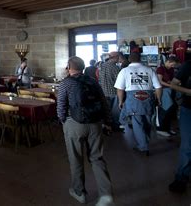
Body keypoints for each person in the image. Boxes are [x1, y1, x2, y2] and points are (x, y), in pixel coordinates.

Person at [57, 56, 114, 206]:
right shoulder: (92, 81)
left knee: (75, 159)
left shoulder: (66, 83)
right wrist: (108, 122)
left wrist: (63, 120)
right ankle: (106, 195)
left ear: (69, 67)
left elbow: (61, 105)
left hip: (73, 124)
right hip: (95, 124)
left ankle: (79, 192)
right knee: (97, 158)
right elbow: (103, 102)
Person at [115, 52, 162, 156]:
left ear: (129, 59)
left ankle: (143, 146)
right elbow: (158, 87)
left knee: (137, 122)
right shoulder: (149, 70)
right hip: (148, 98)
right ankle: (144, 142)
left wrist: (120, 101)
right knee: (148, 121)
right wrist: (158, 99)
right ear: (140, 59)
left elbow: (120, 89)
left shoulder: (125, 71)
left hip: (133, 99)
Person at [168, 60, 191, 193]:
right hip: (189, 110)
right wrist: (189, 91)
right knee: (187, 146)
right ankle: (181, 177)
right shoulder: (188, 65)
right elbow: (173, 84)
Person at [156, 56, 180, 137]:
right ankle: (161, 129)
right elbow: (160, 81)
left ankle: (167, 128)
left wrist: (174, 84)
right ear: (168, 62)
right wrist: (171, 86)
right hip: (163, 91)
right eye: (172, 65)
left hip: (169, 91)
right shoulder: (160, 69)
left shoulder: (171, 69)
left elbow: (169, 80)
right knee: (164, 110)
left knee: (170, 111)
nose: (173, 67)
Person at [99, 52, 121, 130]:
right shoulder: (115, 67)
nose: (119, 59)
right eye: (118, 57)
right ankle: (115, 126)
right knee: (115, 111)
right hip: (113, 92)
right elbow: (119, 81)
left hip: (103, 92)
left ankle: (106, 125)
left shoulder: (102, 65)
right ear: (115, 57)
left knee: (106, 110)